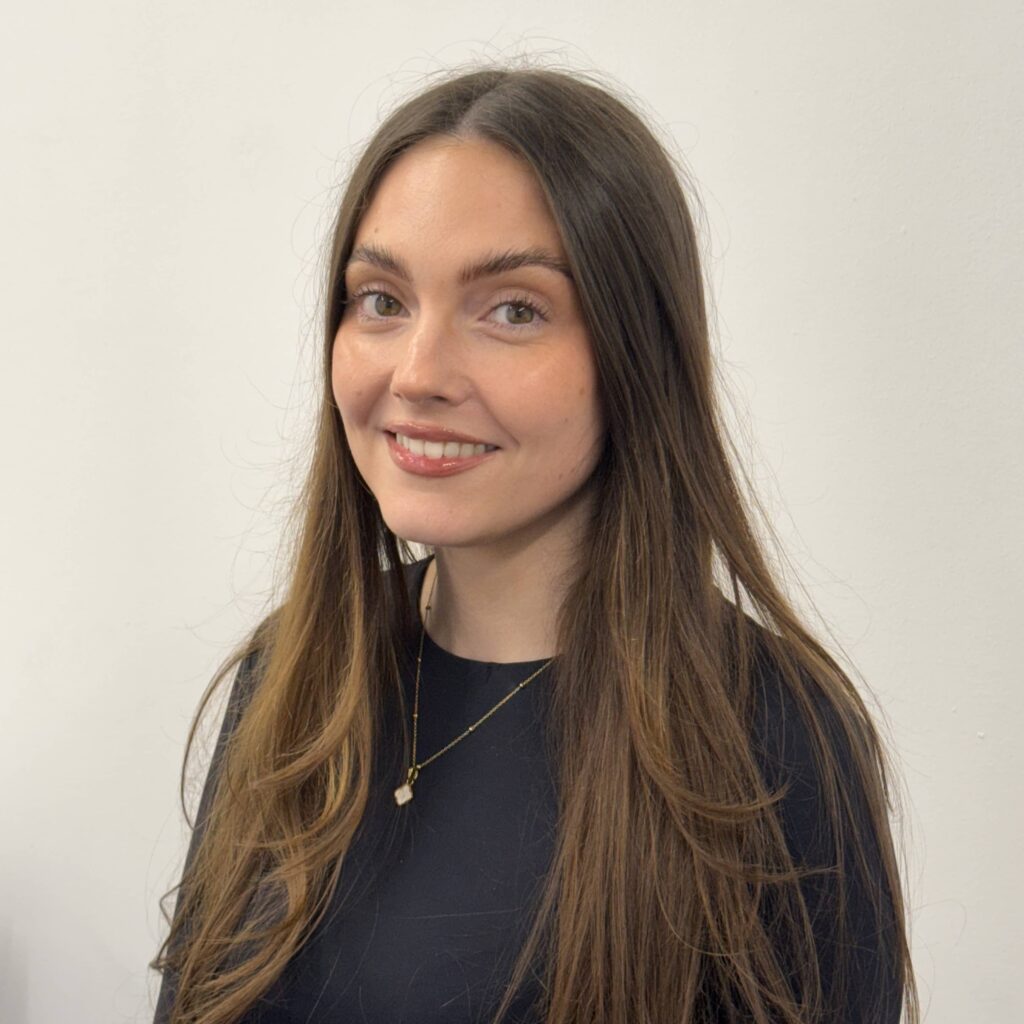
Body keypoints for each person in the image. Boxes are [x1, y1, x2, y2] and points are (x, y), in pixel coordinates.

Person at [151, 63, 919, 1024]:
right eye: (382, 300)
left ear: (637, 352)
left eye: (513, 309)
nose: (419, 373)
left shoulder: (771, 738)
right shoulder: (292, 675)